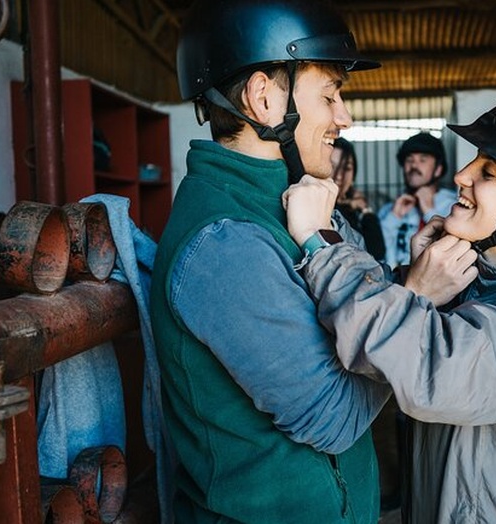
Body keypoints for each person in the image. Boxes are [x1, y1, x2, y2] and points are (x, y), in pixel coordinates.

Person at [284, 91, 496, 523]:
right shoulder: (478, 284)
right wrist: (419, 280)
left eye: (488, 171)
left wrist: (322, 241)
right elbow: (398, 316)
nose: (463, 175)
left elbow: (423, 361)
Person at [149, 1, 392, 522]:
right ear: (264, 99)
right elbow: (335, 416)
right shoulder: (223, 244)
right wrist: (418, 309)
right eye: (329, 95)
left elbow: (377, 298)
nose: (343, 117)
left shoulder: (301, 199)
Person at [378, 132, 458, 268]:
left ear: (438, 169)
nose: (414, 166)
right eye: (409, 160)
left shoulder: (454, 206)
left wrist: (429, 211)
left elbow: (453, 253)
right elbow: (377, 254)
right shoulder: (389, 210)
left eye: (422, 160)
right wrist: (394, 217)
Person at [331, 137, 386, 261]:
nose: (339, 176)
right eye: (332, 166)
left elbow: (377, 252)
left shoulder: (353, 210)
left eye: (346, 168)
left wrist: (366, 211)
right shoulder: (315, 206)